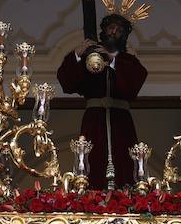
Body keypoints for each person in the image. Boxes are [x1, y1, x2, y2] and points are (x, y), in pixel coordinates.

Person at [56, 13, 147, 189]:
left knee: (124, 161)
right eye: (111, 27)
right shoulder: (90, 57)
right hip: (94, 121)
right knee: (93, 160)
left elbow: (133, 85)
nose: (114, 32)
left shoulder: (128, 62)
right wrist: (77, 54)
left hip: (121, 123)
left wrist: (112, 59)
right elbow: (67, 84)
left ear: (125, 36)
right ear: (103, 31)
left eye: (119, 30)